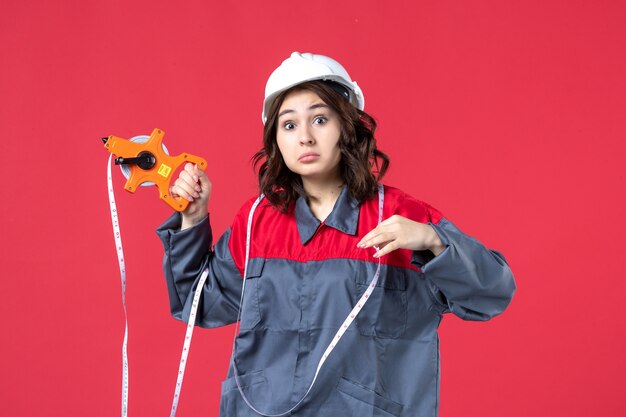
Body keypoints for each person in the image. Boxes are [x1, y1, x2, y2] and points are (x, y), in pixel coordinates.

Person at [156, 52, 516, 417]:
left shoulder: (402, 217)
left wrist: (434, 242)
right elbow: (197, 304)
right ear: (275, 138)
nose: (306, 137)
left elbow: (493, 294)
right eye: (289, 125)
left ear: (347, 126)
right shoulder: (256, 222)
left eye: (320, 119)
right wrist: (193, 219)